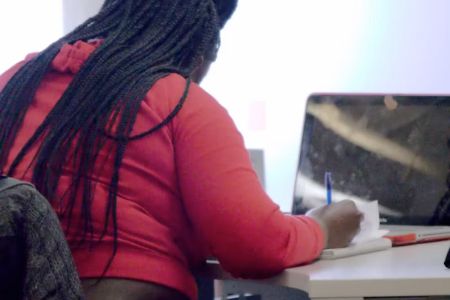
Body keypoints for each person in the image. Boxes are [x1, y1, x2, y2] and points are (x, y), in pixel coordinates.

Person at [0, 1, 362, 299]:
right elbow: (256, 247)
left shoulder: (16, 81)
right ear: (201, 50)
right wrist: (322, 227)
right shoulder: (178, 101)